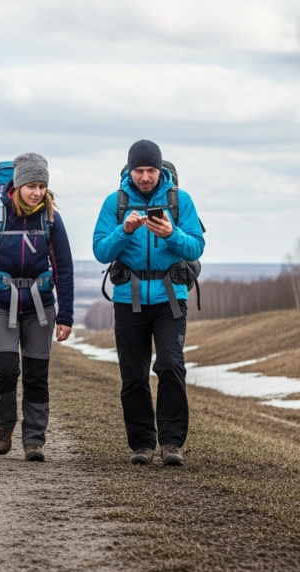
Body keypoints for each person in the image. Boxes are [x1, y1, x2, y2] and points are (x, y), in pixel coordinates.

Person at [92, 140, 205, 466]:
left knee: (171, 366)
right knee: (134, 375)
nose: (144, 176)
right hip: (128, 299)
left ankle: (171, 444)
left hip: (171, 298)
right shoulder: (114, 203)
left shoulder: (179, 201)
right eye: (138, 170)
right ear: (129, 170)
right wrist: (124, 231)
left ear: (160, 170)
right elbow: (101, 250)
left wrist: (171, 234)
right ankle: (142, 444)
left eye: (150, 170)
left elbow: (196, 247)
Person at [0, 153, 74, 462]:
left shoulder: (51, 218)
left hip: (41, 306)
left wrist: (65, 315)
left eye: (42, 186)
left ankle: (34, 440)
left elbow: (63, 268)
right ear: (18, 184)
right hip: (1, 304)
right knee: (5, 368)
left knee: (36, 374)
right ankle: (4, 426)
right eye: (31, 186)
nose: (37, 192)